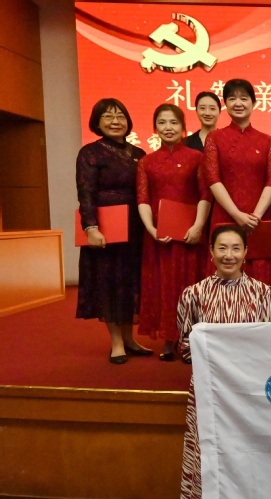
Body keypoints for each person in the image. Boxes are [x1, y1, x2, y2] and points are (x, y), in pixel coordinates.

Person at [177, 225, 271, 499]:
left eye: (236, 248)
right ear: (211, 253)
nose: (229, 255)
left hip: (249, 392)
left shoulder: (263, 293)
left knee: (249, 453)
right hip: (209, 391)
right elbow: (184, 348)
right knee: (209, 452)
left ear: (246, 253)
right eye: (222, 248)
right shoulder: (193, 294)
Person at [75, 98, 151, 364]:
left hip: (136, 225)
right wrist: (91, 227)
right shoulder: (90, 153)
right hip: (106, 227)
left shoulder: (139, 153)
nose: (115, 121)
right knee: (110, 282)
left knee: (131, 280)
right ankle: (116, 342)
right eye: (108, 116)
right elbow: (85, 193)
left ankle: (130, 338)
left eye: (120, 116)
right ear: (97, 122)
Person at [136, 104, 211, 362]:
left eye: (174, 122)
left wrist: (198, 226)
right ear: (155, 128)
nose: (168, 127)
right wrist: (152, 229)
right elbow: (143, 199)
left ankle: (192, 339)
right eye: (162, 122)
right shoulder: (146, 162)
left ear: (183, 127)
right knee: (165, 286)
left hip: (191, 234)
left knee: (191, 285)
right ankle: (169, 339)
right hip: (160, 236)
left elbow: (205, 194)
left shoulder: (197, 157)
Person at [201, 78, 271, 302]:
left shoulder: (266, 140)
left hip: (258, 219)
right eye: (232, 98)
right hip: (225, 215)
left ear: (254, 103)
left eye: (244, 98)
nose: (238, 103)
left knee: (259, 275)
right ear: (225, 104)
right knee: (225, 268)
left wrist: (255, 216)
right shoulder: (214, 138)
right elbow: (213, 179)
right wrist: (237, 215)